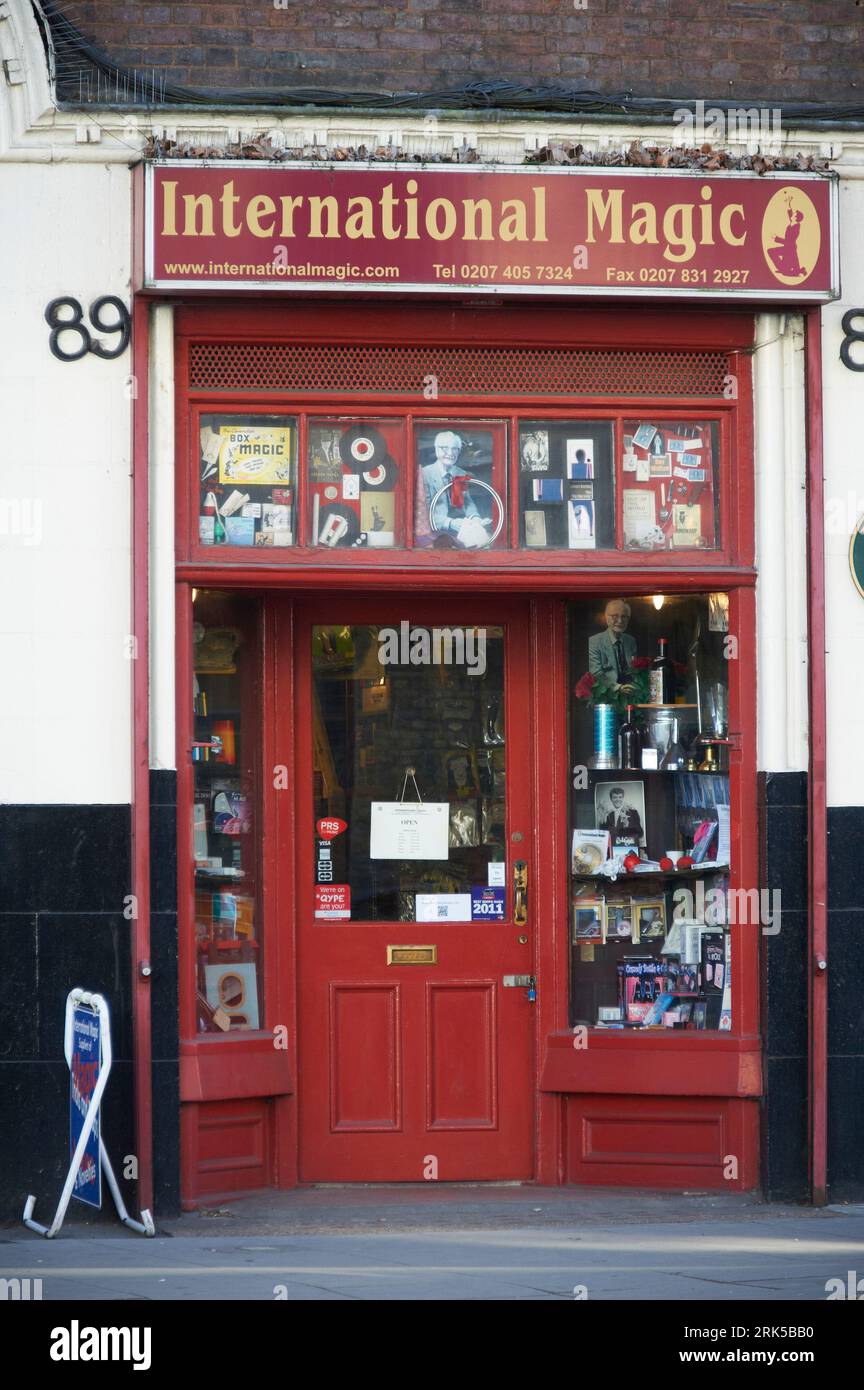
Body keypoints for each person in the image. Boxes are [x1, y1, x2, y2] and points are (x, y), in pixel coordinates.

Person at [415, 430, 490, 548]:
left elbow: (467, 504)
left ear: (459, 451)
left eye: (455, 449)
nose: (450, 453)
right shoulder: (424, 474)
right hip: (434, 533)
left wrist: (476, 518)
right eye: (444, 448)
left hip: (461, 529)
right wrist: (451, 523)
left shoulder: (460, 473)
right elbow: (424, 512)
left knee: (483, 543)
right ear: (436, 449)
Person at [588, 598, 637, 687]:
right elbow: (596, 673)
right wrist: (617, 688)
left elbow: (635, 671)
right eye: (615, 616)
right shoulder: (594, 641)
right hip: (608, 691)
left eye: (624, 616)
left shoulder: (631, 641)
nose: (620, 621)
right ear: (606, 617)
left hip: (630, 690)